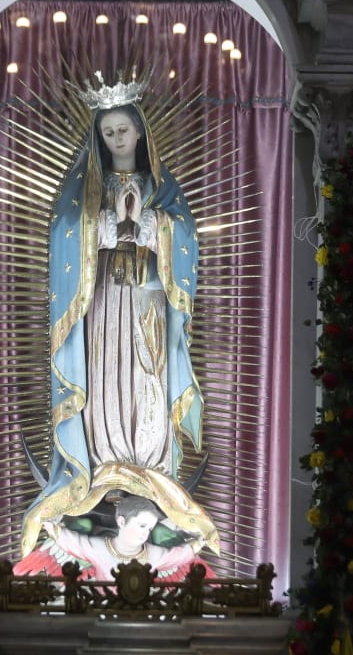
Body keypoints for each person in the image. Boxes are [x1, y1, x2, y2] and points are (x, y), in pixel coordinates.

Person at [19, 79, 219, 562]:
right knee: (107, 376)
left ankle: (148, 465)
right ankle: (104, 463)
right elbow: (65, 233)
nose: (117, 139)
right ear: (98, 138)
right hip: (104, 302)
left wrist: (149, 226)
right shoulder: (84, 190)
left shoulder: (160, 186)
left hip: (148, 301)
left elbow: (186, 237)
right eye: (108, 132)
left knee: (147, 377)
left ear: (140, 131)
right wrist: (106, 227)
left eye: (123, 129)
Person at [13, 493, 211, 583]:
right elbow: (75, 543)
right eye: (141, 526)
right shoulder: (100, 548)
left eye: (149, 528)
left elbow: (177, 556)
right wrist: (54, 530)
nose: (146, 533)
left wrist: (198, 544)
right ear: (122, 522)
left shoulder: (154, 554)